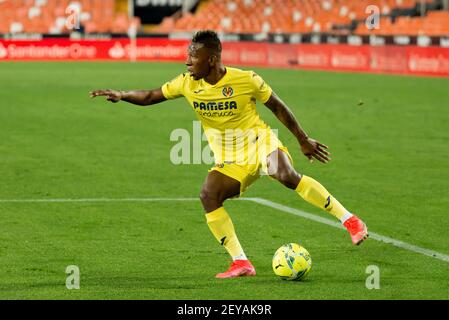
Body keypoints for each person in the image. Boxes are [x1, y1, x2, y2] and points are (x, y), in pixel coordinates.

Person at [90, 30, 368, 279]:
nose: (187, 61)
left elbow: (277, 106)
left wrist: (302, 139)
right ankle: (241, 262)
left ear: (211, 59)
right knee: (208, 195)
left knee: (284, 174)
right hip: (231, 158)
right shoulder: (187, 83)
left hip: (259, 141)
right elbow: (152, 96)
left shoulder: (246, 79)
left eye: (193, 56)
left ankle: (350, 220)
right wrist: (123, 94)